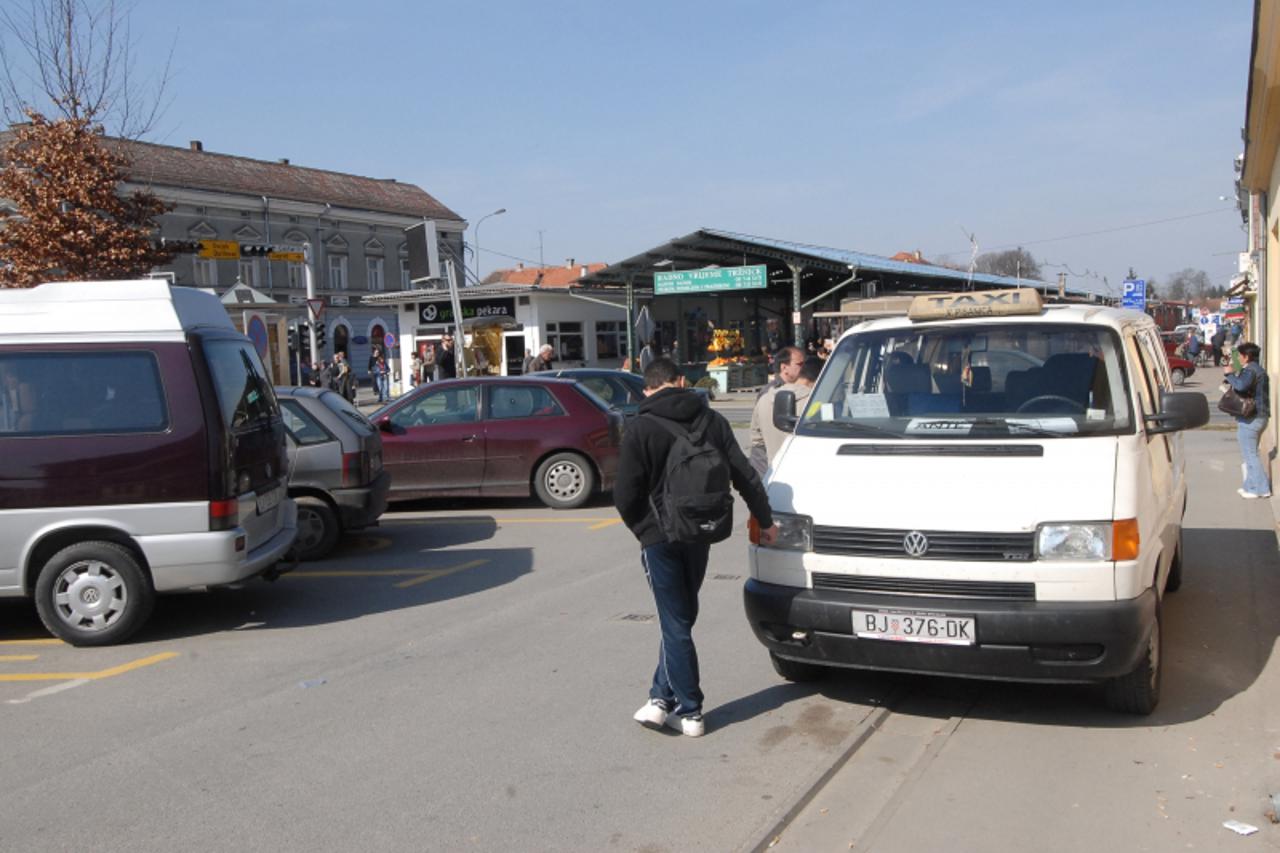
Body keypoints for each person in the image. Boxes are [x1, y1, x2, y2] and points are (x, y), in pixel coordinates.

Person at [614, 357, 778, 738]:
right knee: (682, 616)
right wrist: (765, 520)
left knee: (675, 621)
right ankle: (659, 698)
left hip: (661, 536)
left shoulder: (641, 428)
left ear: (646, 390)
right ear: (682, 381)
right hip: (703, 530)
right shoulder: (713, 420)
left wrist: (645, 531)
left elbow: (625, 494)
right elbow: (745, 475)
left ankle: (690, 710)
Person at [749, 357, 821, 476]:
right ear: (820, 379)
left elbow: (756, 441)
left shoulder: (764, 399)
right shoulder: (816, 403)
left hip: (774, 474)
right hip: (806, 474)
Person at [1225, 341, 1271, 499]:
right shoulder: (1257, 370)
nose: (1238, 358)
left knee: (1250, 455)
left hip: (1252, 417)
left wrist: (1229, 374)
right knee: (1250, 454)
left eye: (1240, 356)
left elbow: (1241, 386)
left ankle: (1261, 488)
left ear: (1246, 356)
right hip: (1260, 416)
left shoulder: (1251, 371)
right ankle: (1250, 486)